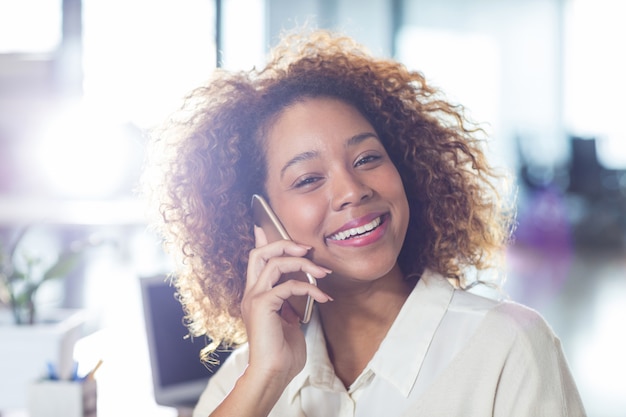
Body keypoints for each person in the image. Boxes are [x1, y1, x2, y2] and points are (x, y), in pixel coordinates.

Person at [142, 28, 586, 417]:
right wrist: (265, 380)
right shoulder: (250, 374)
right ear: (259, 222)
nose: (353, 190)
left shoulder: (510, 348)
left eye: (368, 157)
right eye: (309, 178)